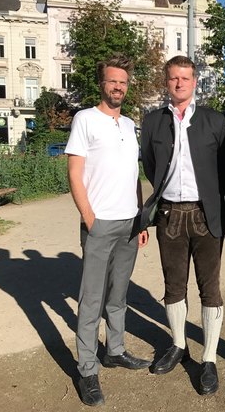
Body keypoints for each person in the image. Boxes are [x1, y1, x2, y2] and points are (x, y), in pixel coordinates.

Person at [66, 54, 151, 407]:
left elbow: (133, 175)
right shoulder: (85, 119)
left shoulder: (130, 124)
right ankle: (87, 369)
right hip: (100, 223)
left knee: (118, 296)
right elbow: (74, 172)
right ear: (103, 83)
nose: (118, 87)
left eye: (124, 82)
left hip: (130, 224)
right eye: (113, 81)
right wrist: (89, 217)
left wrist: (141, 219)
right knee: (91, 300)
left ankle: (114, 350)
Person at [139, 55, 225, 395]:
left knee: (211, 289)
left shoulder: (214, 121)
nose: (180, 83)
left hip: (206, 215)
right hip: (170, 215)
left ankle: (209, 359)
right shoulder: (153, 122)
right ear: (167, 82)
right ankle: (178, 345)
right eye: (174, 78)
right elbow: (150, 163)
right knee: (173, 285)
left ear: (194, 82)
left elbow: (224, 169)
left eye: (185, 78)